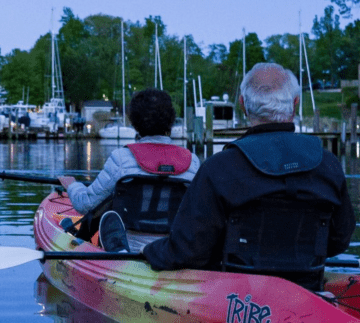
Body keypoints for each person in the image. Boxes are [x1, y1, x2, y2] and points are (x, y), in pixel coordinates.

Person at [142, 63, 355, 290]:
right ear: (295, 104)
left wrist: (148, 250)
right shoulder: (328, 166)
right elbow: (339, 239)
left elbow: (188, 250)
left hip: (235, 301)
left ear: (242, 105)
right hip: (306, 290)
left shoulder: (219, 168)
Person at [58, 88, 200, 251]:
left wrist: (72, 185)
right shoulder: (193, 162)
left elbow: (84, 205)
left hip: (131, 249)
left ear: (134, 121)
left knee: (108, 205)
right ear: (171, 120)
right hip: (173, 249)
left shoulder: (121, 158)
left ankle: (114, 247)